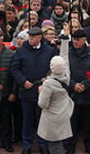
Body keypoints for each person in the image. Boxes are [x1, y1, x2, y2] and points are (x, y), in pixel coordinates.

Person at [11, 26, 58, 154]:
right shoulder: (21, 51)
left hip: (44, 92)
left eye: (33, 37)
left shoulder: (49, 51)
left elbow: (54, 69)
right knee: (27, 120)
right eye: (29, 36)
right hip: (27, 92)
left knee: (43, 121)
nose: (30, 39)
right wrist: (23, 81)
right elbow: (15, 69)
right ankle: (27, 145)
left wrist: (47, 79)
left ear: (39, 38)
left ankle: (43, 144)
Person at [65, 28, 90, 154]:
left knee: (89, 122)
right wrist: (73, 85)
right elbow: (63, 73)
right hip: (72, 94)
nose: (75, 42)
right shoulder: (67, 54)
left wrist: (86, 85)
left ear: (84, 40)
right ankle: (71, 146)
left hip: (88, 93)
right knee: (72, 122)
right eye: (74, 39)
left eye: (78, 39)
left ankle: (89, 144)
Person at [38, 55, 74, 154]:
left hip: (52, 118)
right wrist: (65, 41)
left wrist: (40, 92)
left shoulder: (48, 84)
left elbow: (43, 104)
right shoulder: (66, 76)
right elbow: (65, 58)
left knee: (54, 146)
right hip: (63, 115)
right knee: (60, 143)